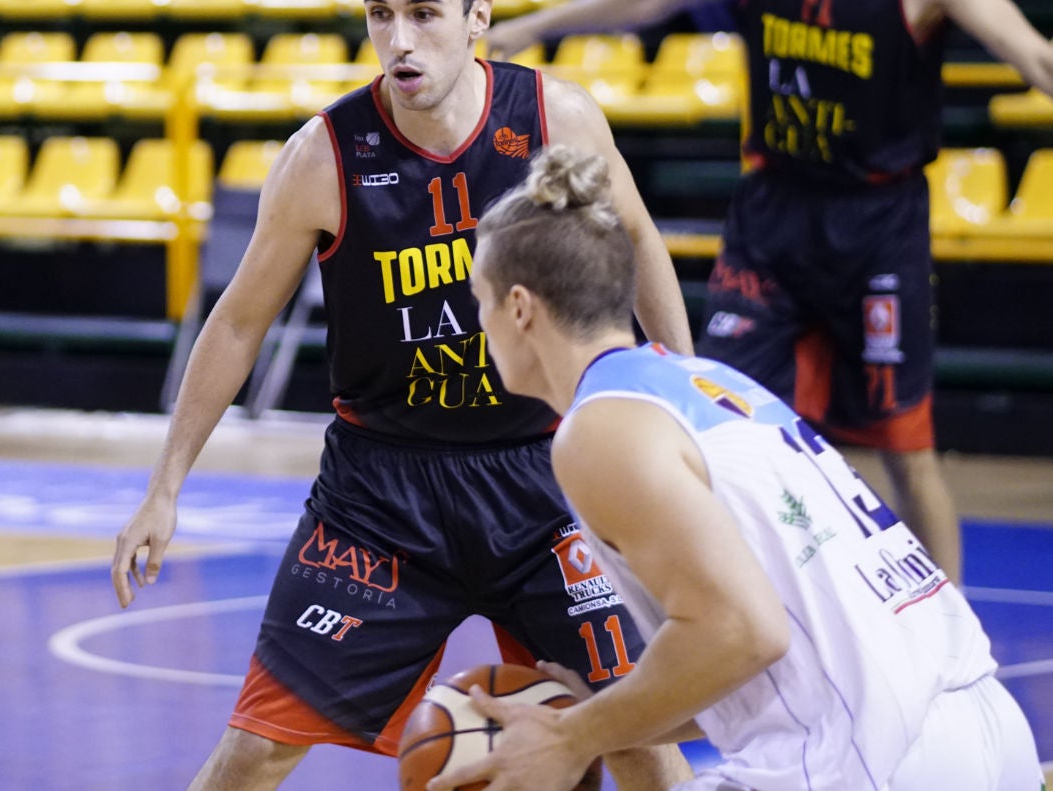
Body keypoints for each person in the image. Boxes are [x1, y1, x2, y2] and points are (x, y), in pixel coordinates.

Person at [111, 0, 695, 790]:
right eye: (380, 14)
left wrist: (683, 400)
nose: (399, 40)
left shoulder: (554, 120)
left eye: (424, 12)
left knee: (639, 735)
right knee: (258, 746)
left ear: (479, 17)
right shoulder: (323, 156)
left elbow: (642, 244)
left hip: (546, 476)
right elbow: (236, 322)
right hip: (382, 495)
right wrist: (165, 486)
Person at [487, 0, 1053, 584]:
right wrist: (535, 26)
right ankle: (726, 598)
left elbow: (1030, 51)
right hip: (772, 215)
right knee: (718, 414)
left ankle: (955, 629)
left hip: (877, 221)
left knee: (906, 446)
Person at [429, 142, 1042, 791]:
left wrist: (567, 738)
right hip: (978, 725)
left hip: (871, 755)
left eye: (480, 299)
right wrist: (592, 716)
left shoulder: (598, 429)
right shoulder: (710, 382)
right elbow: (761, 666)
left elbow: (743, 630)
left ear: (519, 307)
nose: (479, 321)